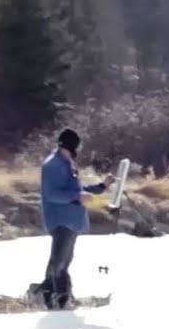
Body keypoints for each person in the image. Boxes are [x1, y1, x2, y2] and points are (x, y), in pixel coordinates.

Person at [32, 128, 115, 310]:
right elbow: (52, 194)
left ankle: (62, 298)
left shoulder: (67, 163)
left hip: (71, 221)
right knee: (59, 261)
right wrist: (76, 197)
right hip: (60, 220)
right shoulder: (53, 165)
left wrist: (101, 186)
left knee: (65, 260)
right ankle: (49, 299)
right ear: (70, 146)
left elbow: (76, 188)